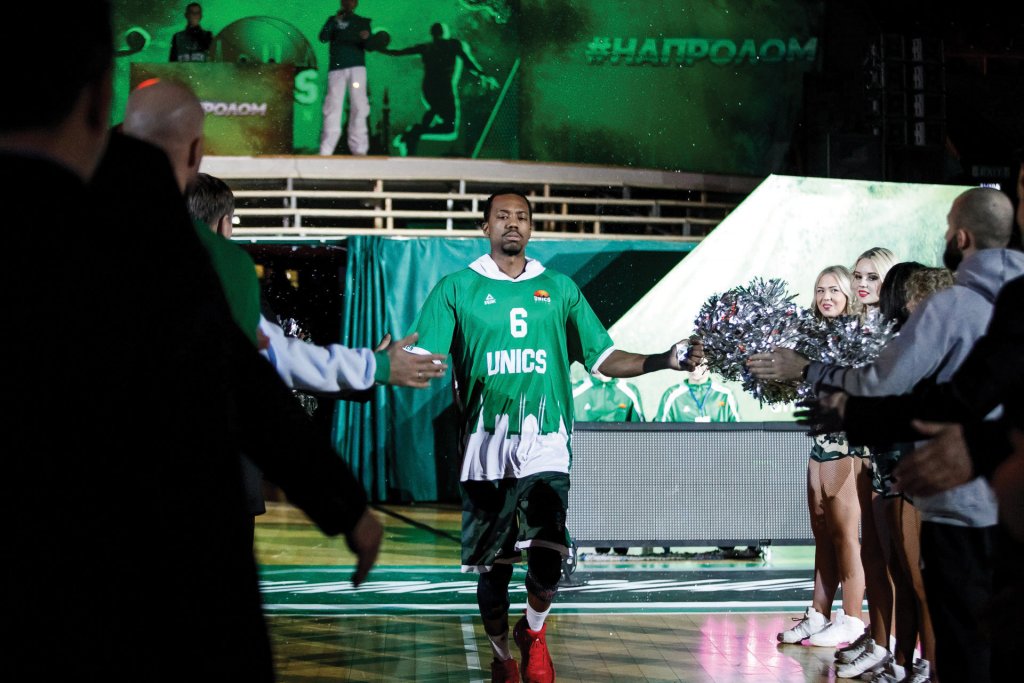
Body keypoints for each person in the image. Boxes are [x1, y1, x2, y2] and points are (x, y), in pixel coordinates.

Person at [5, 4, 381, 675]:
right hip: (161, 581)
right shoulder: (153, 237)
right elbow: (238, 372)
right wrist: (342, 502)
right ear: (98, 102)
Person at [409, 191, 703, 683]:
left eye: (521, 217)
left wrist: (665, 359)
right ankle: (503, 656)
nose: (512, 224)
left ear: (531, 228)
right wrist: (379, 364)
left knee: (550, 557)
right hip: (486, 453)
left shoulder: (560, 289)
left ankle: (535, 633)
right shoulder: (455, 288)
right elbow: (428, 360)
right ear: (485, 227)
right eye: (502, 216)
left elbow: (605, 358)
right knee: (496, 573)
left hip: (547, 446)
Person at [749, 188, 1023, 682]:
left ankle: (907, 656)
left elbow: (890, 385)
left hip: (959, 503)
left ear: (961, 237)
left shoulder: (950, 307)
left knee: (959, 633)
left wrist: (815, 376)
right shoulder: (1013, 294)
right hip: (1007, 500)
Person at [775, 266, 867, 652]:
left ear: (848, 295)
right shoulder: (813, 339)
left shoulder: (859, 338)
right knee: (823, 535)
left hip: (848, 447)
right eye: (819, 290)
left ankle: (852, 620)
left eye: (834, 289)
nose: (825, 296)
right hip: (819, 445)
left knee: (846, 536)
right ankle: (818, 613)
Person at [383, 22, 499, 156]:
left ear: (432, 34)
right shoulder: (452, 45)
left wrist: (381, 48)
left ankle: (414, 134)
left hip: (430, 89)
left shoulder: (427, 47)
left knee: (437, 114)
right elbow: (467, 62)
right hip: (443, 88)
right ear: (445, 33)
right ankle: (414, 133)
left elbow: (399, 52)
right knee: (448, 127)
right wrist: (482, 74)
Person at [319, 0, 372, 156]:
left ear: (356, 4)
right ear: (341, 3)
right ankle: (326, 149)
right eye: (346, 1)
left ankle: (360, 149)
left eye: (352, 1)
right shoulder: (332, 20)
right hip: (337, 69)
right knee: (333, 106)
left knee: (359, 106)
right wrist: (335, 20)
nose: (348, 3)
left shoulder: (362, 21)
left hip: (357, 67)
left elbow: (369, 46)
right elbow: (323, 37)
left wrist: (367, 37)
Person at [654, 362, 738, 422]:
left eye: (700, 363)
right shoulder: (672, 394)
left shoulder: (725, 394)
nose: (695, 366)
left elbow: (738, 431)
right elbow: (659, 432)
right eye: (691, 361)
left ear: (711, 364)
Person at [572, 372, 645, 422]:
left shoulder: (630, 391)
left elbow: (640, 430)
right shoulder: (574, 391)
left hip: (620, 444)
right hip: (582, 443)